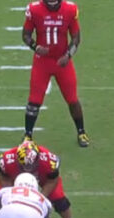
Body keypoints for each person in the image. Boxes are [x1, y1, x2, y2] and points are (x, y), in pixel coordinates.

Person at [22, 0, 90, 147]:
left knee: (72, 100)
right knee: (34, 101)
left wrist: (68, 55)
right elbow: (26, 35)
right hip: (42, 62)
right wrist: (35, 46)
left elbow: (76, 38)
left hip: (62, 62)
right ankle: (28, 135)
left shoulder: (70, 9)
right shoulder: (34, 9)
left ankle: (81, 132)